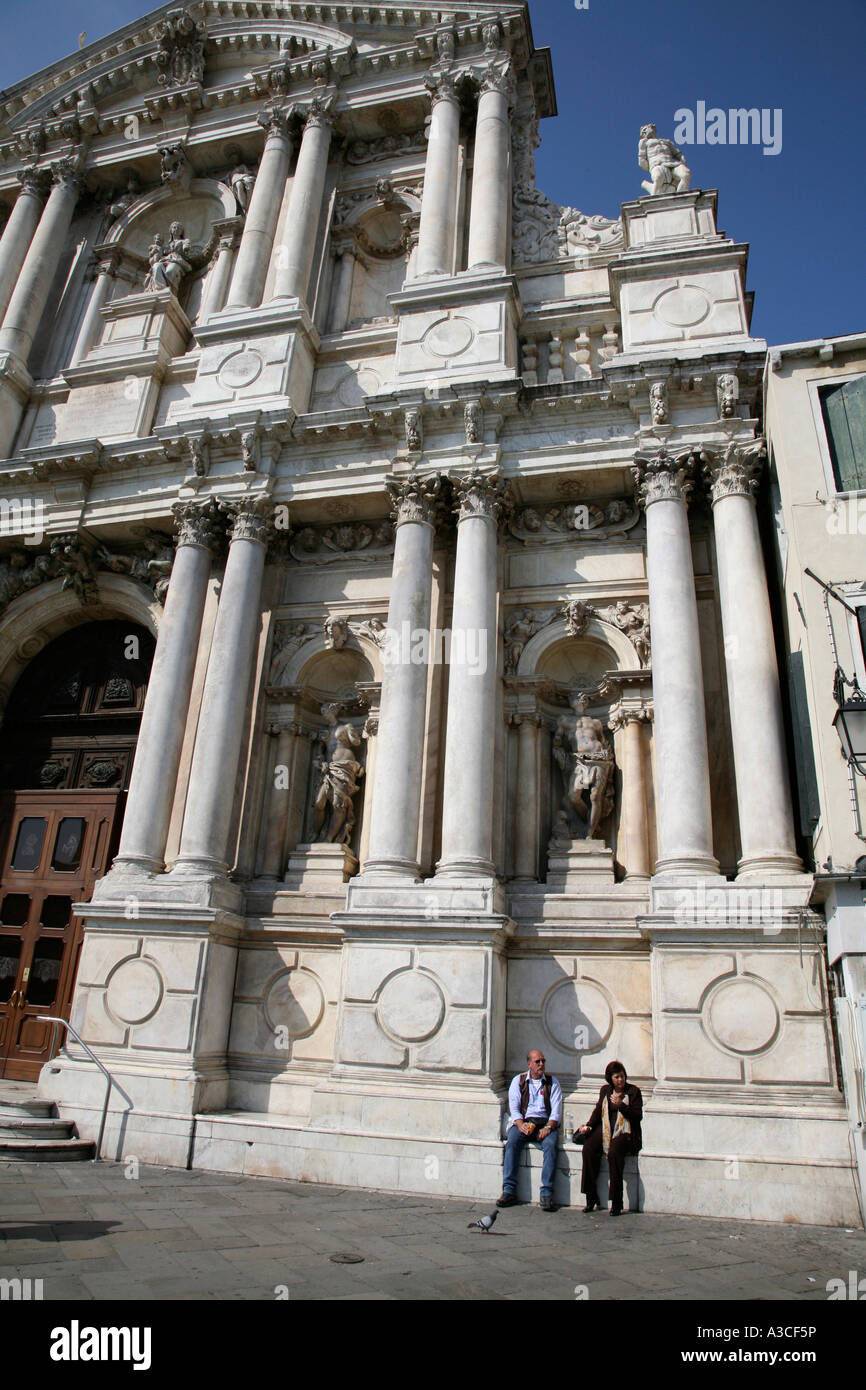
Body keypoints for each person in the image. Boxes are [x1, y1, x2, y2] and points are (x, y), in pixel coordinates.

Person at [575, 1059, 642, 1216]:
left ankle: (616, 1201)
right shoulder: (606, 1091)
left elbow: (637, 1116)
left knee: (614, 1153)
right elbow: (598, 1110)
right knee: (589, 1149)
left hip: (626, 1131)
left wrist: (621, 1106)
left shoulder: (633, 1092)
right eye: (617, 1077)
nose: (620, 1080)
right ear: (610, 1079)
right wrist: (589, 1126)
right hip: (606, 1128)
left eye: (622, 1076)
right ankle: (590, 1197)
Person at [497, 1050, 562, 1211]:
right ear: (529, 1064)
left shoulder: (552, 1082)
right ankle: (509, 1190)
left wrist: (548, 1127)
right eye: (537, 1061)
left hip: (544, 1124)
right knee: (512, 1141)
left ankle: (546, 1193)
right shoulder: (518, 1081)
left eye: (543, 1061)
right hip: (525, 1122)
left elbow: (556, 1111)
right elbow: (514, 1107)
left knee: (551, 1144)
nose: (541, 1064)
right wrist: (520, 1124)